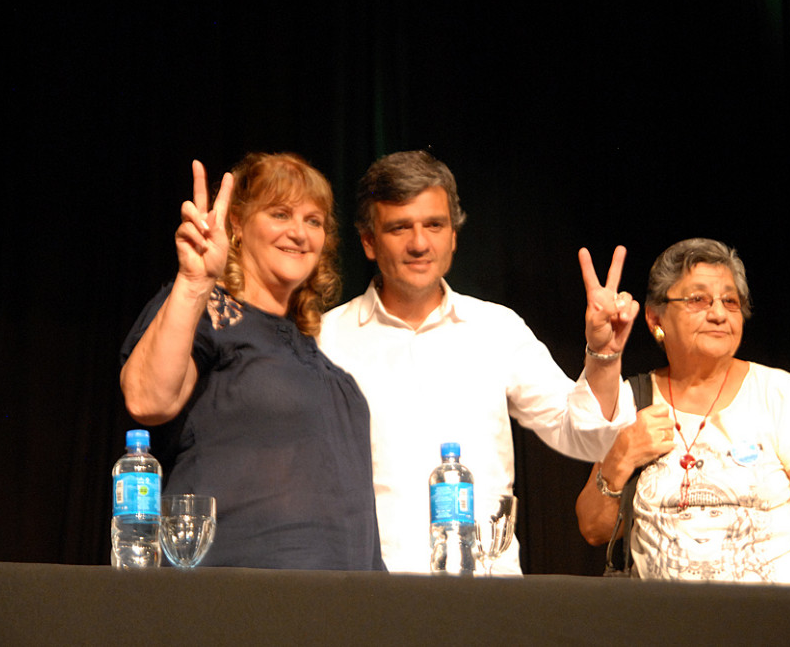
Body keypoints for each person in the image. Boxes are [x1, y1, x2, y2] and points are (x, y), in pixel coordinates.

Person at [318, 150, 637, 575]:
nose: (419, 243)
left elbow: (586, 437)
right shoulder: (326, 337)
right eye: (399, 228)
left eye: (434, 225)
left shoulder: (496, 328)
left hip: (485, 593)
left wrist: (604, 355)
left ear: (453, 235)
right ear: (369, 242)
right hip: (370, 591)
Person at [120, 153, 385, 570]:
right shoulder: (210, 311)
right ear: (238, 225)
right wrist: (193, 285)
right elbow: (147, 399)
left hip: (342, 608)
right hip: (236, 601)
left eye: (313, 220)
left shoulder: (318, 358)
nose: (299, 232)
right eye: (280, 214)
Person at [575, 237, 790, 583]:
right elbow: (593, 529)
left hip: (776, 628)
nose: (719, 313)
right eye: (698, 300)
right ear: (654, 317)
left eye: (730, 301)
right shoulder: (633, 399)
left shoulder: (776, 392)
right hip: (662, 629)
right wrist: (619, 458)